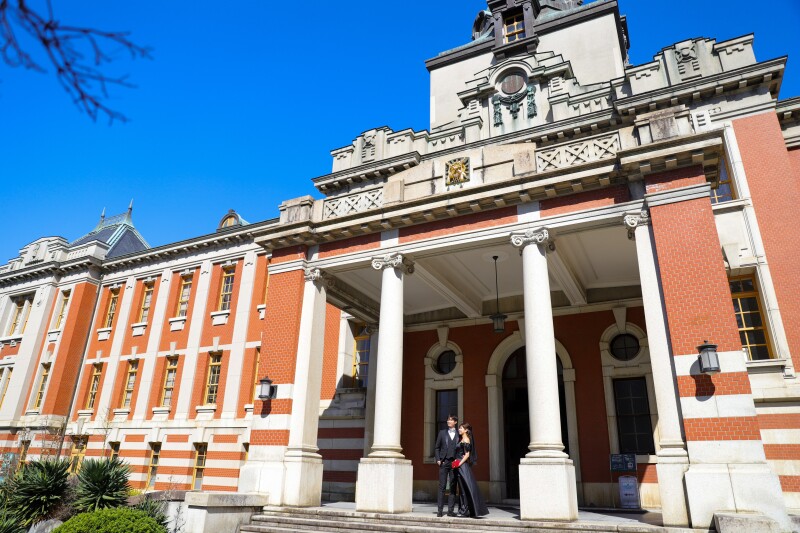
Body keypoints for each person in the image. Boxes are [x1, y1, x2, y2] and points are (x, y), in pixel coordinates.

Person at [452, 422, 489, 518]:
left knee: (465, 489)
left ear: (466, 430)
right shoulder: (461, 439)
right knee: (462, 489)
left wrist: (459, 463)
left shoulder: (466, 439)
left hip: (462, 467)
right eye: (459, 428)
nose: (459, 429)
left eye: (461, 428)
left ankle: (465, 511)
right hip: (460, 466)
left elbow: (467, 454)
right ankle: (464, 510)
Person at [433, 414, 459, 517]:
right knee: (442, 487)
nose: (448, 421)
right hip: (444, 462)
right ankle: (440, 510)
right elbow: (437, 447)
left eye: (451, 420)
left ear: (455, 422)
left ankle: (450, 511)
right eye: (448, 420)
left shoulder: (459, 434)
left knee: (453, 487)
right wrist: (438, 459)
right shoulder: (442, 433)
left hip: (455, 463)